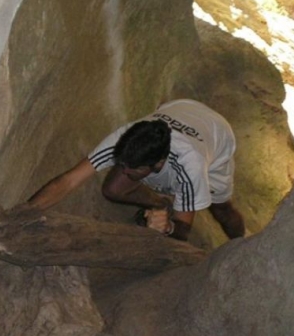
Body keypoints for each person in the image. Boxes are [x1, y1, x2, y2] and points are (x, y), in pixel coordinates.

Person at [26, 99, 246, 241]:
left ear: (158, 163)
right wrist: (26, 211)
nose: (125, 171)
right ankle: (160, 203)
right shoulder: (126, 136)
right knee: (113, 188)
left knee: (221, 210)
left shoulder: (191, 167)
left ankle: (240, 244)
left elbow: (183, 231)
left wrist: (169, 227)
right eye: (122, 164)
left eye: (134, 170)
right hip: (180, 108)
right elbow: (69, 181)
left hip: (216, 136)